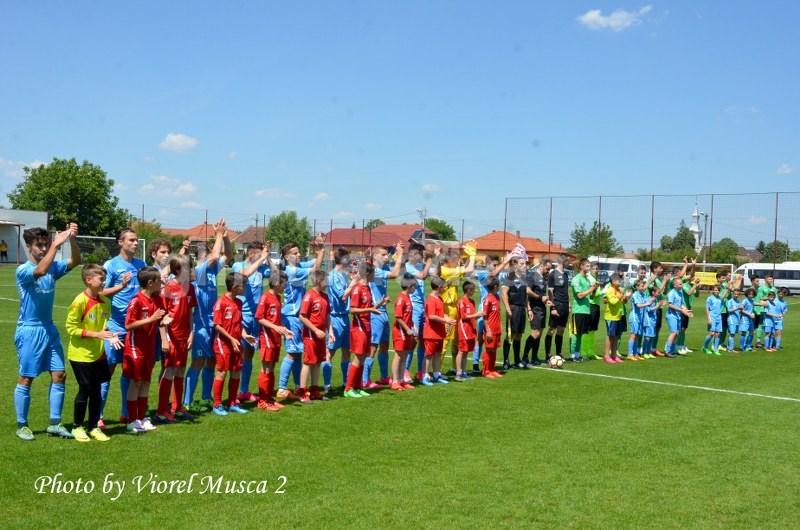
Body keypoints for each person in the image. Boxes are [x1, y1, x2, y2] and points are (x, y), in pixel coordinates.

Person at [14, 224, 81, 441]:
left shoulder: (53, 267)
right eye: (39, 245)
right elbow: (40, 270)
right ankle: (22, 425)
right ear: (29, 247)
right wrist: (55, 244)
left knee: (59, 375)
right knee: (26, 378)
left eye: (45, 245)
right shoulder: (23, 270)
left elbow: (75, 261)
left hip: (49, 329)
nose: (43, 249)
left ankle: (55, 423)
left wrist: (71, 239)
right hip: (30, 330)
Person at [184, 220, 232, 412]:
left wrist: (225, 236)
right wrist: (218, 233)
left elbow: (227, 254)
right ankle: (187, 401)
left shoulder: (212, 271)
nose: (215, 252)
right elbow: (214, 257)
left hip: (214, 324)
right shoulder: (200, 270)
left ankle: (205, 397)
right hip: (201, 325)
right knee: (198, 362)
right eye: (211, 250)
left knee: (212, 360)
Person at [65, 264, 116, 442]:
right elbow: (71, 328)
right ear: (89, 280)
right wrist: (98, 334)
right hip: (80, 355)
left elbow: (104, 326)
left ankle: (93, 426)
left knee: (96, 391)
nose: (104, 282)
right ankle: (77, 426)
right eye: (101, 279)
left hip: (98, 354)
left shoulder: (106, 302)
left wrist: (111, 335)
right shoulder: (80, 301)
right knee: (85, 389)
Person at [101, 228, 146, 427]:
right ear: (120, 242)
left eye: (136, 240)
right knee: (107, 371)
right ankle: (98, 415)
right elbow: (101, 292)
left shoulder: (141, 265)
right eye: (131, 240)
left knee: (129, 372)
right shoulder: (111, 265)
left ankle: (126, 413)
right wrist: (120, 286)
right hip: (116, 328)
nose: (135, 243)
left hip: (135, 329)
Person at [277, 238, 324, 400]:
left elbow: (315, 262)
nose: (299, 255)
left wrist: (319, 251)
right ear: (285, 257)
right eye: (294, 253)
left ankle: (299, 386)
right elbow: (316, 268)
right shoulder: (291, 271)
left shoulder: (297, 266)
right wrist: (321, 252)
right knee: (291, 352)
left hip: (297, 316)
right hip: (291, 316)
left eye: (299, 252)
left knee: (297, 352)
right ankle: (282, 388)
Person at [123, 267, 168, 434]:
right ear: (150, 283)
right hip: (136, 346)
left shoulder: (158, 299)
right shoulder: (136, 301)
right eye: (159, 281)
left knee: (146, 381)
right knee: (136, 381)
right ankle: (131, 420)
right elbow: (128, 325)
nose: (161, 284)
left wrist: (165, 320)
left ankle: (141, 418)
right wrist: (151, 319)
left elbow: (162, 319)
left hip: (150, 346)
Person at [155, 255, 196, 423]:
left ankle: (177, 407)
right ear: (178, 270)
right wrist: (165, 340)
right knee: (170, 371)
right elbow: (161, 317)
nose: (191, 270)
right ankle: (161, 410)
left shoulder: (190, 288)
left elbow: (190, 314)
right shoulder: (168, 289)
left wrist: (191, 333)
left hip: (184, 337)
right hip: (171, 337)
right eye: (188, 267)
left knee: (180, 370)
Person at [231, 241, 272, 403]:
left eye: (260, 252)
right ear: (249, 253)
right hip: (241, 316)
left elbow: (276, 277)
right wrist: (260, 259)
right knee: (237, 355)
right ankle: (233, 394)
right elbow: (245, 275)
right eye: (256, 252)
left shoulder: (262, 268)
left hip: (256, 318)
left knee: (249, 354)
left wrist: (267, 258)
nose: (258, 256)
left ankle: (244, 390)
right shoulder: (237, 265)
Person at [211, 273, 255, 416]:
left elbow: (238, 324)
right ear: (236, 287)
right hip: (223, 343)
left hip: (236, 342)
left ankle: (232, 402)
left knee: (236, 371)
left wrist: (244, 335)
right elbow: (217, 325)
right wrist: (231, 338)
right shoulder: (221, 303)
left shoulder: (239, 303)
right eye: (244, 285)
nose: (246, 288)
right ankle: (217, 404)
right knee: (222, 372)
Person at [363, 243, 404, 388]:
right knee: (373, 348)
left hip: (384, 312)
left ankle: (384, 377)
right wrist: (399, 255)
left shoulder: (382, 268)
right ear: (374, 256)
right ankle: (365, 380)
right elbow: (394, 274)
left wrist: (397, 251)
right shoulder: (374, 271)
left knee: (385, 346)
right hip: (375, 313)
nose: (386, 257)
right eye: (383, 255)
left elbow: (393, 268)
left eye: (387, 255)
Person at [255, 271, 292, 411]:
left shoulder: (277, 297)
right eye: (284, 283)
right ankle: (262, 401)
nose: (285, 286)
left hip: (275, 337)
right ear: (277, 283)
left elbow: (276, 319)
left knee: (271, 369)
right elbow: (259, 317)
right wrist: (275, 327)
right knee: (265, 368)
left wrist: (284, 330)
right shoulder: (266, 297)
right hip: (267, 338)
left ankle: (269, 399)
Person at [344, 264, 382, 398]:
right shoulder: (357, 289)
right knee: (358, 357)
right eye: (373, 273)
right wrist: (370, 310)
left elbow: (369, 307)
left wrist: (380, 304)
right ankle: (348, 389)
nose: (374, 276)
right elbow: (353, 310)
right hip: (359, 327)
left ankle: (358, 386)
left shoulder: (367, 288)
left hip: (367, 326)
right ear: (368, 274)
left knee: (363, 357)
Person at [438, 245, 476, 371]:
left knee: (455, 342)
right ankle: (436, 372)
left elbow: (468, 271)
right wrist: (473, 254)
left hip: (454, 309)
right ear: (448, 261)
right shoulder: (446, 271)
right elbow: (469, 268)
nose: (457, 262)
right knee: (445, 342)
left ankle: (455, 368)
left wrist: (469, 257)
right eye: (455, 260)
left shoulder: (450, 270)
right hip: (447, 310)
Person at [297, 271, 331, 403]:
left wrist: (331, 331)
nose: (327, 283)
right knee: (308, 362)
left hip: (321, 333)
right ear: (318, 281)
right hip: (311, 334)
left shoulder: (325, 297)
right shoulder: (309, 296)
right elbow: (302, 316)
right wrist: (315, 330)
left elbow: (327, 316)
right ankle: (302, 391)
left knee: (317, 362)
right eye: (325, 280)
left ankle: (315, 390)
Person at [326, 248, 356, 394]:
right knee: (330, 352)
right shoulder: (333, 276)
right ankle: (327, 385)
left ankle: (346, 382)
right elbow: (342, 296)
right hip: (335, 317)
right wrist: (354, 282)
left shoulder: (343, 275)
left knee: (346, 351)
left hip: (344, 317)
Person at [403, 243, 434, 382]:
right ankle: (405, 371)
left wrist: (434, 257)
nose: (421, 257)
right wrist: (429, 260)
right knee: (413, 340)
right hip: (413, 307)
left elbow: (432, 274)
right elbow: (422, 276)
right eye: (420, 254)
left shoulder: (420, 265)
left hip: (422, 307)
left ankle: (421, 371)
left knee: (422, 340)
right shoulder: (408, 267)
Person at [421, 275, 456, 385]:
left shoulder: (439, 298)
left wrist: (448, 319)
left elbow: (441, 314)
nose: (445, 288)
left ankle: (436, 374)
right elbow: (431, 316)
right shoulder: (431, 299)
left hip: (439, 333)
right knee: (428, 355)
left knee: (437, 354)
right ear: (438, 287)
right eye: (443, 287)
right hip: (431, 333)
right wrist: (446, 321)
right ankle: (425, 376)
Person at [500, 256, 532, 369]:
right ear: (516, 265)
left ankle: (517, 360)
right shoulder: (510, 277)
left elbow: (526, 295)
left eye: (525, 264)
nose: (525, 266)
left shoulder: (524, 278)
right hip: (513, 308)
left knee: (519, 335)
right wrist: (508, 309)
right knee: (510, 335)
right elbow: (504, 294)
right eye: (522, 264)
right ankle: (505, 361)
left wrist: (528, 309)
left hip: (522, 309)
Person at [391, 276, 418, 391]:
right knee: (399, 356)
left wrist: (413, 326)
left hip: (407, 331)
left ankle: (402, 380)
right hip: (400, 332)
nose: (415, 289)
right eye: (414, 287)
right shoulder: (401, 299)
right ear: (409, 286)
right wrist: (407, 328)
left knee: (404, 356)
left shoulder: (408, 298)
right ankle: (395, 381)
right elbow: (398, 317)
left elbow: (408, 316)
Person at [569, 259, 598, 362]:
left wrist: (594, 289)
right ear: (581, 266)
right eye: (587, 266)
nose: (589, 268)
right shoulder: (576, 279)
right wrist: (590, 289)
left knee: (581, 334)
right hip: (578, 310)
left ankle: (577, 355)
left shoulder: (586, 279)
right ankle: (572, 356)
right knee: (575, 334)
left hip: (586, 310)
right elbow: (580, 295)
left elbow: (590, 295)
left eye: (589, 266)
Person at [524, 258, 551, 366]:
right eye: (547, 269)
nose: (548, 271)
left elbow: (542, 294)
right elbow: (527, 291)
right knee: (535, 333)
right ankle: (525, 357)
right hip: (535, 309)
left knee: (539, 334)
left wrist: (546, 301)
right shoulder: (532, 276)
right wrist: (540, 298)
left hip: (542, 308)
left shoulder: (543, 278)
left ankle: (534, 357)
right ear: (542, 266)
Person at [545, 256, 570, 360]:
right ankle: (548, 354)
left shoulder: (565, 274)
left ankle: (558, 353)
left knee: (561, 330)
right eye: (567, 261)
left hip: (565, 305)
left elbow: (566, 290)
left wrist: (568, 304)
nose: (568, 263)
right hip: (557, 304)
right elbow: (550, 292)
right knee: (551, 329)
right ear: (562, 262)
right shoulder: (552, 274)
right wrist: (553, 308)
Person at [456, 280, 482, 380]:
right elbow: (464, 316)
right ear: (468, 290)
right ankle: (458, 373)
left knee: (466, 351)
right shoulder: (462, 301)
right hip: (463, 329)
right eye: (473, 290)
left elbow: (472, 316)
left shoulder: (472, 302)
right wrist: (477, 314)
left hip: (471, 329)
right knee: (462, 351)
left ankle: (464, 372)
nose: (474, 292)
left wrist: (478, 315)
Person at [481, 278, 503, 378]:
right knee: (489, 350)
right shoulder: (488, 299)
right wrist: (488, 330)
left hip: (497, 328)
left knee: (494, 349)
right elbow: (485, 316)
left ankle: (492, 369)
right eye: (498, 285)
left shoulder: (497, 297)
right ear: (495, 287)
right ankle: (486, 371)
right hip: (490, 329)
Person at [665, 278, 692, 357]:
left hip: (678, 315)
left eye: (682, 284)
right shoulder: (672, 293)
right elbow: (670, 305)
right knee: (673, 332)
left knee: (677, 333)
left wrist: (686, 311)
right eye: (680, 284)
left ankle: (672, 350)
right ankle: (667, 351)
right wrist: (681, 310)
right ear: (675, 285)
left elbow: (682, 304)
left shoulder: (680, 293)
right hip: (671, 315)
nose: (682, 285)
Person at [627, 279, 653, 360]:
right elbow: (638, 305)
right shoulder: (635, 295)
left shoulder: (643, 294)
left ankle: (635, 354)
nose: (643, 288)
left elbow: (647, 303)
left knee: (638, 336)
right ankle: (630, 354)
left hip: (641, 318)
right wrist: (647, 303)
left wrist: (651, 300)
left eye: (643, 286)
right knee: (633, 335)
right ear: (637, 287)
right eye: (641, 286)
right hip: (635, 317)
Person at [602, 273, 624, 363]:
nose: (620, 281)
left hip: (617, 316)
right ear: (613, 281)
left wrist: (625, 296)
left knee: (615, 336)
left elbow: (622, 301)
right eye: (618, 280)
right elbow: (612, 302)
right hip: (610, 316)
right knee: (610, 336)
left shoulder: (618, 290)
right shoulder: (610, 290)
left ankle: (614, 355)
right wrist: (620, 297)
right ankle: (607, 356)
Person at [703, 284, 724, 356]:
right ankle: (705, 347)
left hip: (719, 317)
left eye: (718, 290)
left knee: (718, 334)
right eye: (715, 290)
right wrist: (709, 318)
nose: (717, 291)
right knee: (712, 333)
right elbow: (707, 309)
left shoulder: (720, 298)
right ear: (712, 290)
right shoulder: (710, 298)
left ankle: (715, 349)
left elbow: (724, 296)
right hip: (712, 317)